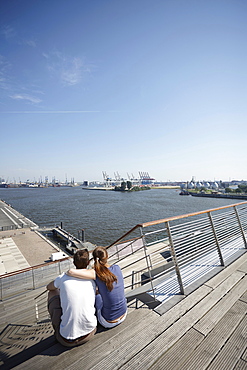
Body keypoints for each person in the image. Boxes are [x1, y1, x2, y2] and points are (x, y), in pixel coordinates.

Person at [67, 246, 127, 328]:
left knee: (96, 295)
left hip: (108, 321)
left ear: (94, 258)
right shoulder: (117, 268)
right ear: (107, 256)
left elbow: (71, 271)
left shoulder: (95, 273)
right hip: (124, 314)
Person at [47, 249, 97, 347]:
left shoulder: (63, 277)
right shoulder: (92, 277)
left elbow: (49, 287)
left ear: (73, 263)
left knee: (52, 293)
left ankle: (59, 323)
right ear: (88, 262)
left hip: (65, 339)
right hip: (89, 333)